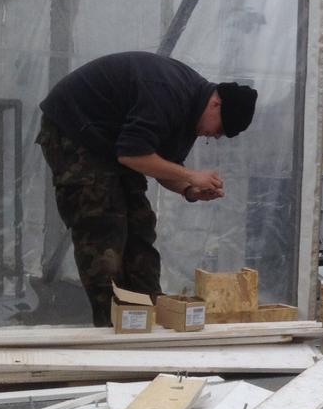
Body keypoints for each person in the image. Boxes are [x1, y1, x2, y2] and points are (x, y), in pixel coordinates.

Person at [37, 52, 257, 325]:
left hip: (112, 143)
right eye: (220, 129)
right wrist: (192, 175)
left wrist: (189, 190)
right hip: (75, 128)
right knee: (103, 228)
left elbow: (161, 165)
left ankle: (147, 317)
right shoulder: (167, 94)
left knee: (140, 227)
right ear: (215, 104)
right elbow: (132, 156)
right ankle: (112, 326)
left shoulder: (193, 114)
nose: (215, 136)